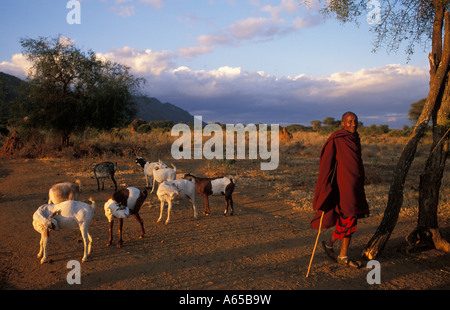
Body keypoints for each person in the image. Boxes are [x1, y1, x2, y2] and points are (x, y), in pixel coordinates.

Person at [310, 111, 369, 269]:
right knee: (349, 218)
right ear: (343, 123)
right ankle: (341, 254)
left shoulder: (355, 137)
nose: (353, 124)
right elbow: (326, 161)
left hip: (355, 185)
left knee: (351, 217)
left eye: (355, 121)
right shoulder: (337, 138)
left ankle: (331, 245)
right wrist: (325, 183)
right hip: (344, 185)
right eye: (349, 122)